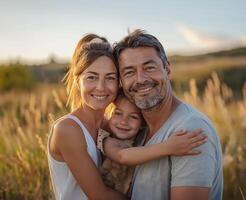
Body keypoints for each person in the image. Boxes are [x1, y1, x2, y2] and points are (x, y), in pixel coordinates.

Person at [113, 29, 223, 200]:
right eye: (129, 72)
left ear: (168, 70)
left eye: (149, 67)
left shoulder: (191, 130)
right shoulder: (136, 129)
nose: (140, 79)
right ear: (121, 82)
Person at [47, 33, 127, 200]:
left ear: (119, 82)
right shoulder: (68, 129)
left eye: (110, 78)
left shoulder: (111, 125)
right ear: (78, 81)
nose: (100, 87)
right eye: (91, 77)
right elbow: (100, 196)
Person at [97, 89, 207, 197]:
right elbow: (122, 156)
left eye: (134, 117)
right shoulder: (107, 140)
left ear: (142, 124)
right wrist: (168, 147)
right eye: (118, 113)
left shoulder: (142, 140)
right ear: (109, 114)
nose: (124, 121)